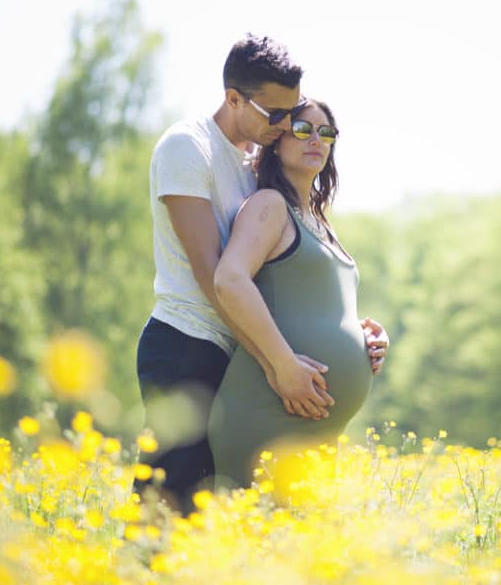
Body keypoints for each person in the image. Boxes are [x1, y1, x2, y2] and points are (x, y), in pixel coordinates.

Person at [136, 35, 388, 513]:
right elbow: (216, 275)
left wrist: (356, 336)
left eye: (289, 114)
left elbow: (284, 281)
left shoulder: (254, 168)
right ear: (233, 98)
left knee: (216, 515)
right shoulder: (188, 148)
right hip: (189, 344)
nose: (282, 127)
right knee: (171, 505)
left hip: (236, 353)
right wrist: (278, 364)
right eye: (276, 116)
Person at [208, 99, 373, 490]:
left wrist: (365, 334)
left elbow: (316, 300)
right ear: (276, 140)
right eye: (303, 129)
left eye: (326, 132)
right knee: (254, 543)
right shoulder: (269, 205)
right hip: (270, 409)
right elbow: (229, 280)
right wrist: (283, 365)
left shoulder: (317, 219)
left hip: (312, 428)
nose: (316, 138)